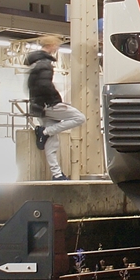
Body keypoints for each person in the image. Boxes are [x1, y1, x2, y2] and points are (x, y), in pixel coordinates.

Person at [27, 35, 83, 181]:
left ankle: (57, 174)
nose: (57, 48)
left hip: (38, 106)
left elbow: (32, 86)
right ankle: (45, 132)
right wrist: (55, 100)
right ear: (51, 45)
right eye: (56, 45)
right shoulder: (45, 63)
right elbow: (45, 85)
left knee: (52, 144)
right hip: (48, 104)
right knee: (79, 117)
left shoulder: (35, 62)